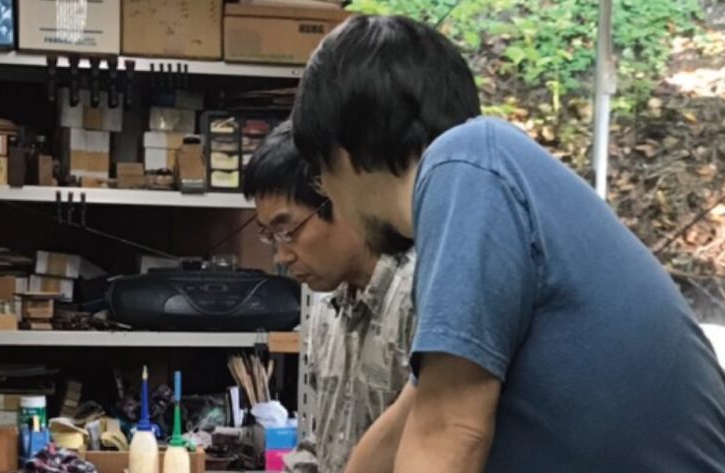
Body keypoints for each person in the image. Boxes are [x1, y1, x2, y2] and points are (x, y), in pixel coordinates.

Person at [291, 14, 725, 473]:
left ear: (342, 152)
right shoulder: (483, 179)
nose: (330, 196)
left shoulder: (467, 164)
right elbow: (412, 413)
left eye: (320, 178)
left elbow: (449, 429)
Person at [243, 120, 415, 473]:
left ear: (340, 197)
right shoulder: (327, 309)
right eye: (270, 236)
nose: (282, 256)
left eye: (287, 230)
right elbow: (322, 448)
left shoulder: (417, 299)